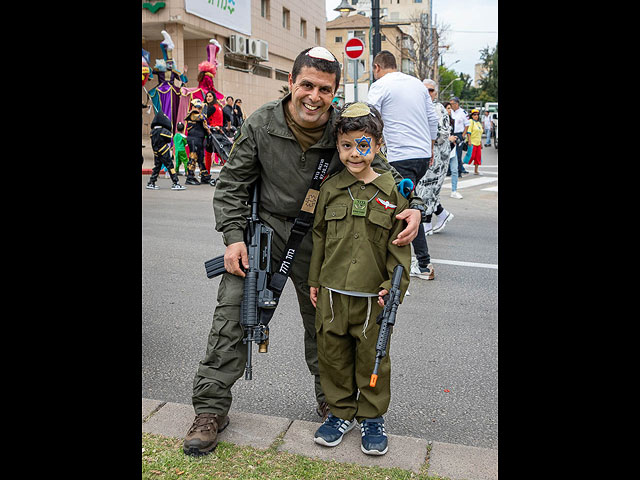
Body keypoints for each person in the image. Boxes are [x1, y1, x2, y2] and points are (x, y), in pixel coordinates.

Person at [182, 46, 423, 457]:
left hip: (327, 239)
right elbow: (233, 185)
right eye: (306, 85)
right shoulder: (261, 123)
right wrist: (234, 237)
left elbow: (383, 171)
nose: (313, 96)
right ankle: (210, 410)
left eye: (324, 89)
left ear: (335, 91)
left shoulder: (346, 127)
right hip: (267, 234)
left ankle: (334, 403)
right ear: (291, 82)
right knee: (234, 317)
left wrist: (412, 204)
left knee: (327, 329)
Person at [308, 102, 411, 456]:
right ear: (338, 146)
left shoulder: (393, 193)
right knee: (332, 356)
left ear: (378, 145)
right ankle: (340, 412)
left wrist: (392, 289)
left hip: (372, 299)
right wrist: (314, 280)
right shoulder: (330, 189)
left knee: (373, 359)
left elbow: (400, 250)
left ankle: (371, 416)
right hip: (333, 295)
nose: (355, 153)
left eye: (363, 145)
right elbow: (319, 237)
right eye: (347, 145)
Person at [367, 50, 438, 281]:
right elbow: (432, 120)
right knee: (400, 202)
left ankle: (423, 264)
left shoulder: (381, 85)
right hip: (422, 154)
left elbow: (367, 117)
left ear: (377, 67)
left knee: (404, 207)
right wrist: (431, 148)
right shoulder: (418, 85)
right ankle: (398, 256)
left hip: (400, 156)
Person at [416, 79, 455, 236]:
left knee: (428, 187)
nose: (427, 93)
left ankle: (426, 223)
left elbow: (443, 134)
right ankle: (442, 214)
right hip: (426, 153)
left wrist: (425, 136)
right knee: (426, 188)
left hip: (437, 155)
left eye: (431, 90)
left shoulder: (438, 108)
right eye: (425, 90)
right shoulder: (420, 107)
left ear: (436, 93)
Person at [146, 110, 186, 190]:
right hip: (164, 151)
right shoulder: (163, 131)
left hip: (156, 152)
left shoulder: (152, 132)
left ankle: (151, 182)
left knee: (157, 167)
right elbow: (168, 139)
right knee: (170, 167)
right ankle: (176, 183)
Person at [184, 98, 212, 185]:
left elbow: (205, 125)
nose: (199, 109)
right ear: (193, 107)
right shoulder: (193, 114)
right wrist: (204, 110)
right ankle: (190, 177)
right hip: (193, 139)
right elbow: (201, 118)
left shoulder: (199, 116)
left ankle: (204, 176)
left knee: (201, 158)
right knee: (193, 157)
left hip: (199, 139)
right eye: (198, 107)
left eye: (200, 108)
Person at [444, 102, 463, 200]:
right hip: (442, 150)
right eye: (447, 108)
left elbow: (452, 133)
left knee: (454, 170)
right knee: (439, 172)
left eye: (450, 108)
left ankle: (454, 191)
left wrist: (454, 138)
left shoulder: (452, 121)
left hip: (452, 148)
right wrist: (448, 139)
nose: (450, 110)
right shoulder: (438, 121)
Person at [449, 97, 469, 177]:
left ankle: (459, 171)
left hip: (459, 134)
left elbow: (467, 125)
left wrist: (463, 135)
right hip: (451, 134)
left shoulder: (463, 112)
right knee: (449, 152)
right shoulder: (450, 112)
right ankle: (449, 170)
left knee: (458, 153)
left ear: (457, 104)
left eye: (452, 104)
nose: (451, 105)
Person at [204, 91, 224, 169]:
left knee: (210, 152)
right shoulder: (218, 107)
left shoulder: (212, 107)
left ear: (213, 97)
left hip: (213, 130)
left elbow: (204, 116)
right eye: (207, 96)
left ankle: (207, 172)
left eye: (210, 96)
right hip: (219, 130)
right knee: (216, 151)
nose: (208, 98)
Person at [466, 109, 483, 175]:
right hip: (472, 142)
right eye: (474, 115)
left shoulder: (478, 123)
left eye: (477, 115)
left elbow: (480, 134)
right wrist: (469, 141)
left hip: (478, 142)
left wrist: (481, 143)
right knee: (471, 156)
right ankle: (461, 165)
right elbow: (469, 132)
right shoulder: (470, 121)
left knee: (478, 157)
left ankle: (476, 170)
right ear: (472, 115)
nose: (476, 116)